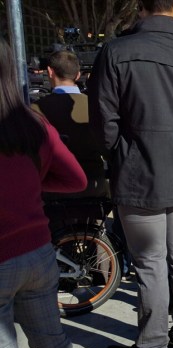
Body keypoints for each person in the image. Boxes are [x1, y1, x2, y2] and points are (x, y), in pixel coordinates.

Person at [89, 0, 173, 348]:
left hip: (138, 173)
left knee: (150, 261)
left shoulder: (116, 51)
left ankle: (154, 345)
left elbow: (103, 122)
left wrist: (121, 154)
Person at [0, 37, 88, 348]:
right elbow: (76, 179)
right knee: (55, 347)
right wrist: (33, 182)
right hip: (38, 252)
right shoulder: (33, 125)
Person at [32, 50, 109, 231]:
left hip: (55, 189)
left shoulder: (36, 109)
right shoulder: (96, 106)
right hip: (94, 183)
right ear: (78, 74)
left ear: (50, 72)